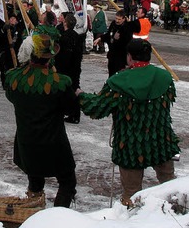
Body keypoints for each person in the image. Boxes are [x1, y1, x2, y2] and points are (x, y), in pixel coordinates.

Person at [77, 39, 180, 207]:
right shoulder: (164, 77)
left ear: (130, 57)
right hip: (161, 142)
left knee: (132, 195)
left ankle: (131, 222)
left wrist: (81, 95)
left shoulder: (118, 82)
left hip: (131, 146)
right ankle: (175, 215)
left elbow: (96, 108)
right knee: (169, 187)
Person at [5, 33, 77, 208]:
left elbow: (11, 96)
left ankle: (33, 214)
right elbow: (71, 109)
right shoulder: (60, 82)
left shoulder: (13, 78)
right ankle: (57, 219)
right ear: (50, 58)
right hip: (53, 143)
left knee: (35, 181)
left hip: (26, 141)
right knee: (67, 182)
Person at [55, 14, 83, 124]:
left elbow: (63, 55)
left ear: (65, 23)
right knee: (73, 88)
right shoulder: (76, 36)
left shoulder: (65, 37)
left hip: (66, 68)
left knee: (69, 90)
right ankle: (73, 113)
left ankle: (73, 114)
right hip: (74, 67)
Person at [95, 9, 134, 77]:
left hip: (121, 56)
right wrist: (100, 38)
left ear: (124, 19)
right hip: (112, 54)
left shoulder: (127, 28)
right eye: (116, 18)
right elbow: (108, 35)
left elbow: (127, 42)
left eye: (119, 19)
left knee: (119, 74)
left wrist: (117, 40)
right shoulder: (113, 24)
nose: (117, 21)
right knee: (111, 73)